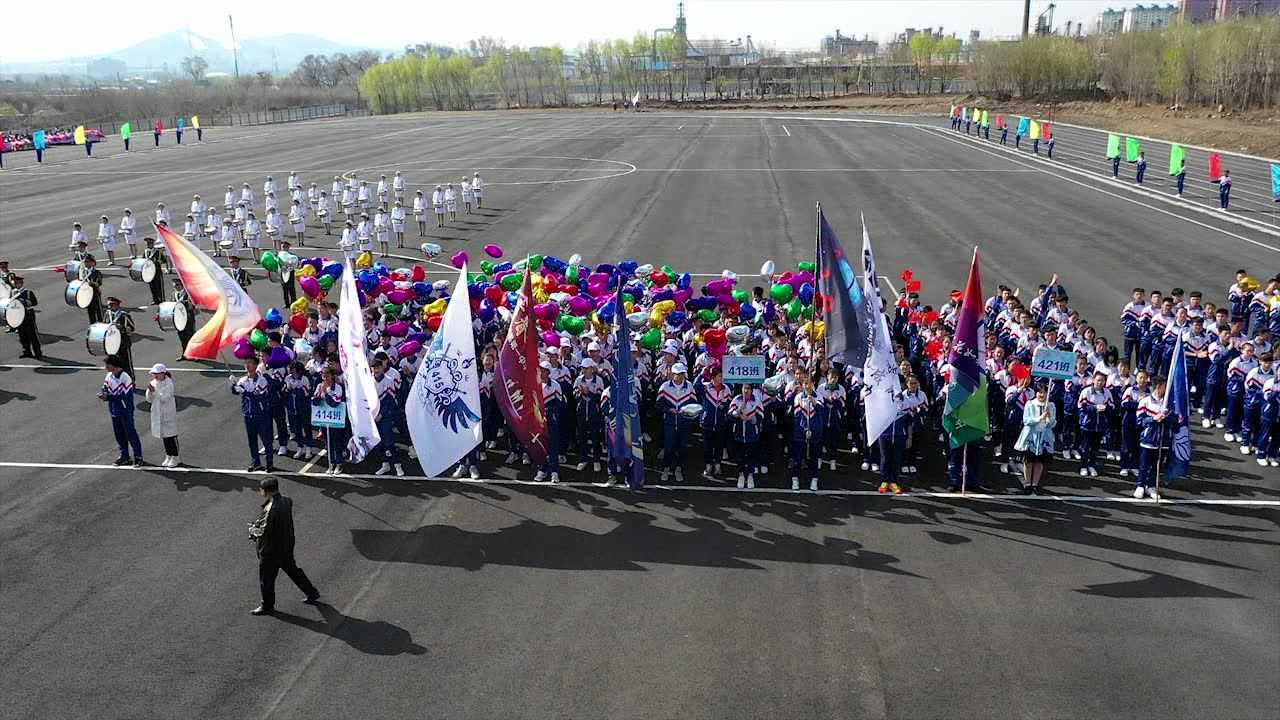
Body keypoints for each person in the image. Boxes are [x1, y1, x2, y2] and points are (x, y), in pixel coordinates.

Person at [248, 476, 320, 616]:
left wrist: (252, 531)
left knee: (267, 579)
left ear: (266, 491)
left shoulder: (271, 509)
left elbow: (264, 530)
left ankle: (267, 605)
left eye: (261, 489)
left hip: (271, 550)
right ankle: (311, 592)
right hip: (286, 545)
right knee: (293, 571)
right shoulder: (287, 500)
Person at [231, 355, 276, 473]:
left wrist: (244, 391)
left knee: (266, 440)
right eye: (246, 362)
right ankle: (255, 462)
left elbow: (258, 394)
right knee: (252, 440)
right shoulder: (243, 380)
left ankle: (269, 463)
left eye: (250, 363)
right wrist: (233, 385)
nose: (247, 365)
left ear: (256, 365)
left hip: (261, 414)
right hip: (248, 415)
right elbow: (236, 391)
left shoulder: (262, 379)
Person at [100, 355, 143, 467]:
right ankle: (124, 456)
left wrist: (108, 397)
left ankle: (138, 457)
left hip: (125, 411)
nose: (106, 367)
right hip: (114, 410)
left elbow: (125, 396)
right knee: (119, 434)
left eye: (107, 365)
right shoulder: (109, 375)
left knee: (130, 433)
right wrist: (103, 393)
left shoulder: (125, 378)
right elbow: (105, 387)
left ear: (114, 365)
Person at [1014, 380, 1056, 494]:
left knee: (1039, 462)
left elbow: (1053, 423)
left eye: (1044, 392)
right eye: (1039, 392)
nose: (1041, 395)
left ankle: (1035, 484)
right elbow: (1026, 421)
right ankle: (1027, 484)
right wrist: (1039, 418)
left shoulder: (1051, 405)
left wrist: (1049, 418)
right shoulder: (1030, 404)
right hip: (1031, 436)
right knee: (1029, 461)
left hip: (1044, 437)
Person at [658, 362, 697, 483]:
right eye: (677, 374)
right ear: (672, 374)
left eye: (681, 374)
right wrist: (669, 410)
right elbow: (658, 404)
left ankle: (678, 469)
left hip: (684, 424)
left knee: (682, 447)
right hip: (669, 423)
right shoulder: (664, 387)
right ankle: (666, 468)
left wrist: (687, 412)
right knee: (669, 447)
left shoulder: (689, 386)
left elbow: (695, 404)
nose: (679, 376)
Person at [1135, 377, 1169, 500]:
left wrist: (1166, 418)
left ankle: (1151, 486)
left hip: (1163, 440)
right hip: (1148, 439)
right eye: (1165, 386)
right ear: (1158, 386)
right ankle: (1140, 485)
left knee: (1157, 465)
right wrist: (1153, 419)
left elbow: (1176, 419)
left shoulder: (1168, 403)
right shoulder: (1145, 401)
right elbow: (1139, 420)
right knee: (1144, 464)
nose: (1166, 388)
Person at [145, 363, 181, 467]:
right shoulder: (153, 382)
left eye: (157, 373)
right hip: (158, 413)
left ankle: (176, 457)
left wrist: (154, 391)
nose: (155, 376)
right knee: (164, 436)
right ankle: (168, 455)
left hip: (168, 413)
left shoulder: (169, 384)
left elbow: (165, 398)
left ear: (163, 373)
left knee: (171, 435)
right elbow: (149, 399)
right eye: (153, 374)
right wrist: (150, 392)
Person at [10, 275, 43, 359]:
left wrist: (27, 302)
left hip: (28, 315)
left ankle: (38, 352)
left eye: (18, 283)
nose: (17, 285)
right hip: (18, 315)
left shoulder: (28, 292)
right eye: (16, 283)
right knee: (22, 335)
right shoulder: (13, 292)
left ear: (21, 283)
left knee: (32, 334)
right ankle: (27, 351)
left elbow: (35, 302)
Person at [105, 296, 136, 381]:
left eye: (111, 305)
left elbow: (132, 328)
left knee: (126, 363)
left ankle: (131, 380)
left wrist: (121, 328)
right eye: (109, 305)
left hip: (123, 342)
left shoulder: (124, 315)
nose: (109, 307)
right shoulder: (108, 314)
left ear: (117, 305)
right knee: (115, 363)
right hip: (112, 343)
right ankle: (119, 380)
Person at [171, 277, 195, 359]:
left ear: (182, 285)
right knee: (182, 338)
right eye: (174, 285)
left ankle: (194, 355)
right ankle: (185, 354)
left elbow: (192, 306)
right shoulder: (173, 294)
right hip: (178, 320)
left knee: (190, 337)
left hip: (188, 319)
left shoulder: (188, 294)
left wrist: (186, 303)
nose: (176, 287)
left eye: (177, 285)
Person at [79, 254, 105, 324]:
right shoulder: (83, 272)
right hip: (87, 295)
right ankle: (93, 325)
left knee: (99, 311)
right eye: (85, 262)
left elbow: (99, 283)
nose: (86, 263)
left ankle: (101, 325)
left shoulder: (97, 272)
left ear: (93, 263)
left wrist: (90, 283)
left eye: (88, 261)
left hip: (95, 294)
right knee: (90, 312)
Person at [142, 237, 166, 305]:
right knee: (152, 286)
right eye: (147, 244)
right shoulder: (145, 251)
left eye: (149, 243)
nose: (147, 245)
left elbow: (164, 260)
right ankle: (155, 299)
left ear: (152, 244)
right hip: (149, 271)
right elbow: (143, 260)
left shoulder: (157, 251)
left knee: (159, 286)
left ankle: (161, 299)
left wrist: (159, 261)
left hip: (157, 271)